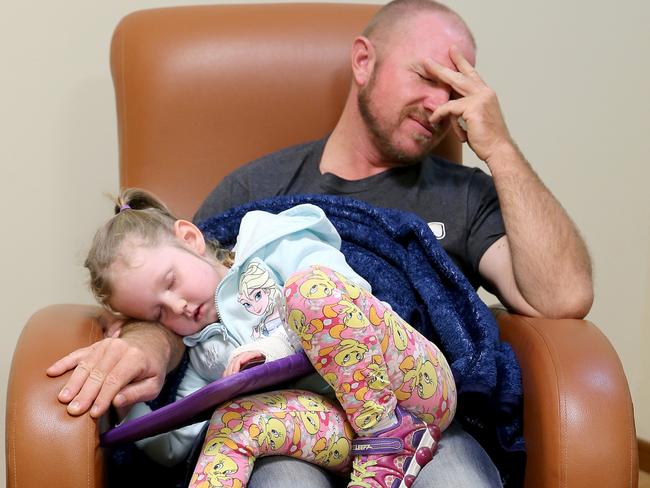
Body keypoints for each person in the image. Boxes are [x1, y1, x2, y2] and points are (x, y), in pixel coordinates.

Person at [47, 0, 593, 486]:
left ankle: (392, 440)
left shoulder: (465, 197)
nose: (440, 105)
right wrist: (145, 348)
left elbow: (562, 297)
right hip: (292, 422)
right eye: (426, 77)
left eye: (455, 89)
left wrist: (498, 148)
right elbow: (192, 307)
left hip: (420, 415)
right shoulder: (258, 190)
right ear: (363, 62)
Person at [82, 187, 457, 487]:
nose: (177, 305)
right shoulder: (206, 356)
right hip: (347, 438)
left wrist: (274, 347)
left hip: (411, 385)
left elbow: (344, 291)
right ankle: (386, 446)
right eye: (157, 313)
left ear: (190, 237)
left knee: (308, 289)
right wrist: (128, 398)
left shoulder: (267, 245)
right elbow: (173, 447)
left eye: (171, 282)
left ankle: (387, 437)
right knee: (229, 422)